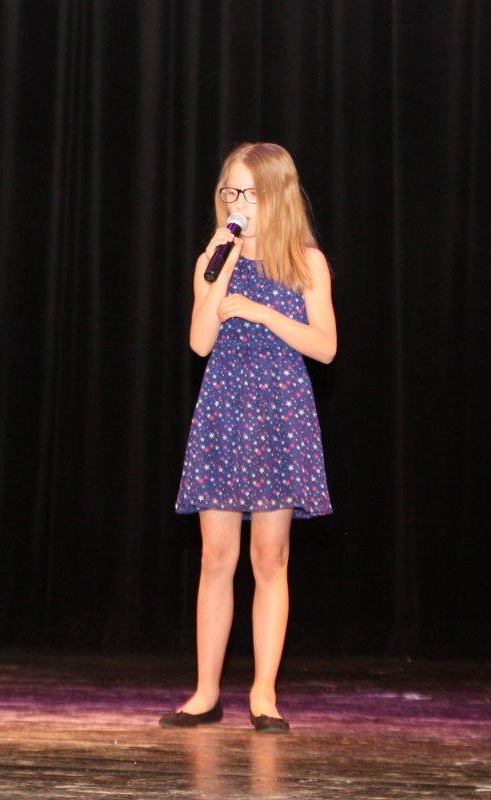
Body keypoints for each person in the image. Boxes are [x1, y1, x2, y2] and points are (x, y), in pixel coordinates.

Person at [161, 142, 336, 734]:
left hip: (279, 413)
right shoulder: (213, 260)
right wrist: (221, 266)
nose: (238, 203)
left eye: (250, 193)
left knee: (269, 556)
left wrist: (264, 314)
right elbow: (199, 343)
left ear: (278, 196)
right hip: (225, 409)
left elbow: (326, 347)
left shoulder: (305, 262)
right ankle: (206, 691)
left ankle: (264, 693)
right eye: (230, 192)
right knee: (216, 555)